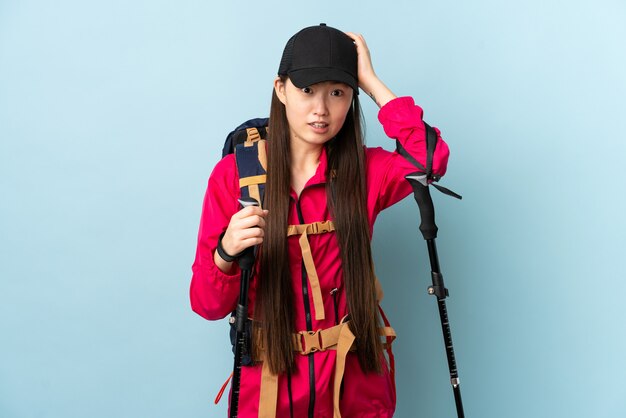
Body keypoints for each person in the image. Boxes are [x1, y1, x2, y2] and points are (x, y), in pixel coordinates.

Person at [190, 23, 450, 418]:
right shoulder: (234, 177)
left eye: (338, 93)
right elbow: (207, 305)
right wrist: (226, 252)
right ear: (280, 89)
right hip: (270, 390)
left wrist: (372, 82)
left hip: (354, 385)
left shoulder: (365, 170)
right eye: (307, 90)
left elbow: (429, 161)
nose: (321, 109)